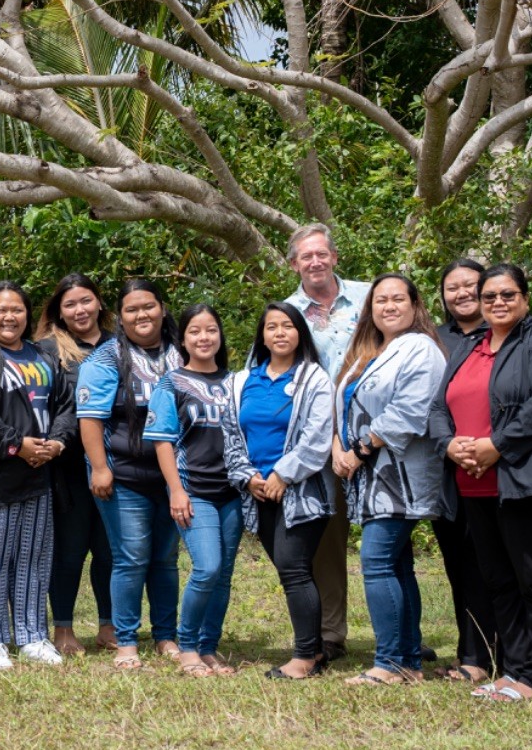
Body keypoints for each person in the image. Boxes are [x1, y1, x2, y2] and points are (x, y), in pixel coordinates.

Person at [441, 264, 532, 704]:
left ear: (525, 298)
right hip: (474, 485)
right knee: (498, 580)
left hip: (526, 481)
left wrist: (496, 445)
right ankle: (512, 669)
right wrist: (449, 444)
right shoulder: (470, 347)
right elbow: (439, 406)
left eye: (508, 295)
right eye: (490, 297)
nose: (498, 303)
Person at [332, 276, 449, 687]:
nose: (388, 306)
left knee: (377, 561)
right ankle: (409, 657)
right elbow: (342, 404)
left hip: (399, 477)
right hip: (371, 478)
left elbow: (410, 412)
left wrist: (359, 451)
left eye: (398, 298)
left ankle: (391, 663)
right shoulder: (372, 351)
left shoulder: (419, 348)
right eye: (380, 300)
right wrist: (338, 447)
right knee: (398, 565)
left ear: (415, 305)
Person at [0, 283, 75, 669]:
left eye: (17, 310)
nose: (9, 317)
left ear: (27, 314)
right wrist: (16, 445)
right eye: (1, 310)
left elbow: (65, 405)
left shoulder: (43, 356)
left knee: (33, 558)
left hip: (38, 472)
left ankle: (32, 635)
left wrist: (55, 443)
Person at [77, 278, 186, 668]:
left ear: (162, 308)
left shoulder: (183, 351)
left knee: (165, 559)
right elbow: (89, 419)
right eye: (131, 309)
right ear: (120, 317)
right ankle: (126, 640)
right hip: (123, 476)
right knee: (131, 557)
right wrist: (101, 468)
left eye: (148, 306)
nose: (142, 315)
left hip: (173, 478)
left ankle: (165, 636)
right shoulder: (105, 359)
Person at [283, 224, 371, 660]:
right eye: (306, 256)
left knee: (389, 536)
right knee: (327, 542)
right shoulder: (287, 312)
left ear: (334, 257)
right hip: (317, 441)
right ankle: (330, 634)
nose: (315, 262)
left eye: (322, 254)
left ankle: (401, 633)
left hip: (377, 434)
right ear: (294, 264)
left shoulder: (372, 297)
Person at [236, 302, 337, 680]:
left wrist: (283, 474)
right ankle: (312, 647)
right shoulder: (245, 380)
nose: (280, 333)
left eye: (288, 326)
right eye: (271, 327)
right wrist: (248, 476)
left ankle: (306, 656)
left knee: (294, 569)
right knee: (289, 571)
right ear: (261, 336)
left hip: (302, 492)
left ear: (300, 333)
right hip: (258, 492)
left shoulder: (314, 378)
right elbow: (233, 433)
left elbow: (317, 437)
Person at [146, 304, 248, 678]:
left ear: (220, 336)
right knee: (206, 567)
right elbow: (162, 442)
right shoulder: (171, 384)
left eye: (211, 330)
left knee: (223, 575)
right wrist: (175, 490)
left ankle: (209, 648)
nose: (204, 338)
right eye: (195, 331)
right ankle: (187, 646)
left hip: (233, 491)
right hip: (194, 490)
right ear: (183, 338)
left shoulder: (236, 382)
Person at [36, 274, 117, 657]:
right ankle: (64, 628)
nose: (80, 310)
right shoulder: (47, 351)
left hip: (119, 463)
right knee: (69, 551)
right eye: (70, 304)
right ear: (59, 312)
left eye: (86, 301)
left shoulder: (122, 346)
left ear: (99, 303)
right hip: (68, 466)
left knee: (110, 551)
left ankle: (108, 624)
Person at [430, 257, 494, 683]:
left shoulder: (507, 334)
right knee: (461, 565)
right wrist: (451, 446)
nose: (462, 294)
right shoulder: (433, 339)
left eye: (470, 285)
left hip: (502, 467)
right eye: (452, 288)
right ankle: (472, 654)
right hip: (447, 470)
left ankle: (516, 651)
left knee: (503, 565)